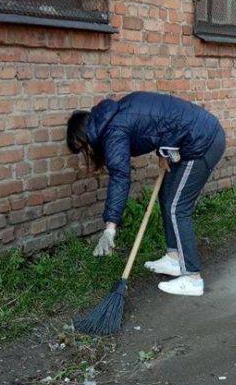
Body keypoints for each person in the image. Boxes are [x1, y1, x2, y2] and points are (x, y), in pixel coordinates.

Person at [67, 92, 226, 297]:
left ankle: (192, 278)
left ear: (84, 135)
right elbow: (159, 120)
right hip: (190, 136)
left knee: (177, 207)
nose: (86, 153)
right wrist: (163, 152)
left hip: (203, 141)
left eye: (82, 148)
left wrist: (110, 227)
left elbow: (120, 177)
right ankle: (174, 258)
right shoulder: (115, 115)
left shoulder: (113, 132)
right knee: (166, 196)